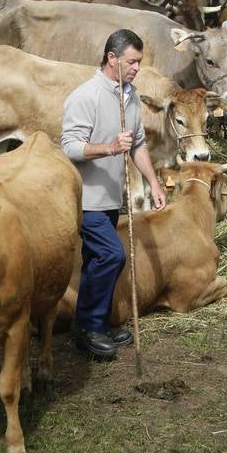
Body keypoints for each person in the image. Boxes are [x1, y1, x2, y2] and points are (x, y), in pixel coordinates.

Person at [60, 29, 166, 359]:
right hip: (86, 198)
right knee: (111, 256)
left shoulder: (130, 95)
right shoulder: (85, 96)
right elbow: (69, 146)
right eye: (132, 62)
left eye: (139, 62)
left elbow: (137, 144)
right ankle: (90, 328)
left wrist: (153, 182)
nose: (137, 68)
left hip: (111, 197)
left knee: (96, 261)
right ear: (112, 59)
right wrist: (108, 148)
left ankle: (93, 326)